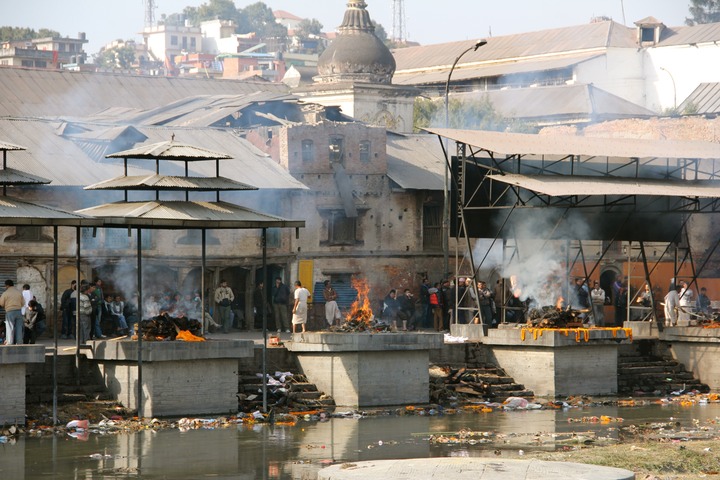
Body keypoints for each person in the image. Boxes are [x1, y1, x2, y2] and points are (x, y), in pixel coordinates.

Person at [0, 280, 25, 345]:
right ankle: (19, 342)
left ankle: (10, 342)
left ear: (7, 285)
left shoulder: (5, 293)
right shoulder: (19, 292)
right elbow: (23, 303)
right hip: (19, 311)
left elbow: (1, 303)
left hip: (10, 311)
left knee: (10, 327)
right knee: (19, 327)